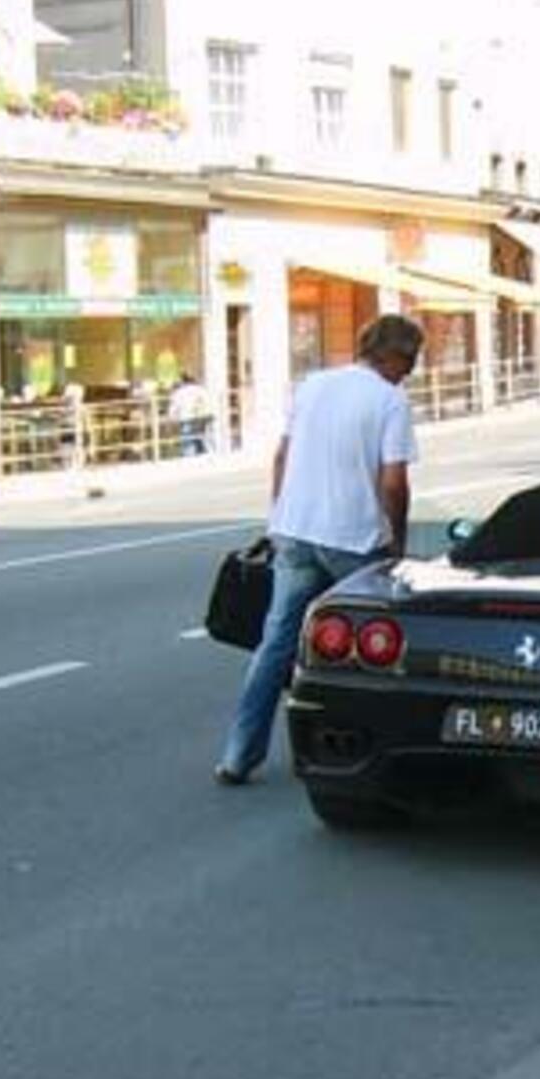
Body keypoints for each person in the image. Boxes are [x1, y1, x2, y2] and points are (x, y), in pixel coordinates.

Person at [214, 313, 424, 785]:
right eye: (409, 359)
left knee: (276, 643)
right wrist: (398, 541)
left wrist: (278, 518)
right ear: (391, 355)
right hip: (354, 539)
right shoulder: (390, 400)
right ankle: (366, 750)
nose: (410, 370)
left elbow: (282, 456)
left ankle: (238, 754)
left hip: (296, 531)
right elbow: (394, 483)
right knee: (371, 649)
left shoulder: (312, 385)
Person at [169, 372, 215, 458]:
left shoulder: (179, 392)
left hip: (187, 416)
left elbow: (174, 407)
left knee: (188, 440)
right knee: (201, 437)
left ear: (182, 382)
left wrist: (172, 418)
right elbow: (208, 402)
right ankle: (205, 456)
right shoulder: (200, 389)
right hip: (203, 416)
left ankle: (190, 459)